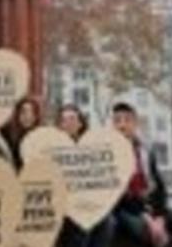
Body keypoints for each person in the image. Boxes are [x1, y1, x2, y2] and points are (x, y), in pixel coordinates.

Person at [111, 102, 172, 247]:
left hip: (151, 209)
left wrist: (159, 217)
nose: (122, 125)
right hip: (126, 211)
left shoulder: (145, 150)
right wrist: (146, 218)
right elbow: (113, 197)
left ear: (135, 123)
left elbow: (159, 187)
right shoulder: (108, 154)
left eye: (127, 120)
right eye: (117, 121)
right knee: (141, 231)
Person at [56, 104, 114, 247]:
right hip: (63, 204)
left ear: (80, 123)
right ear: (60, 125)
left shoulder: (89, 148)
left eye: (72, 119)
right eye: (64, 120)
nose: (68, 123)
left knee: (108, 222)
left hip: (86, 201)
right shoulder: (53, 147)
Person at [1, 96, 42, 169]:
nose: (28, 116)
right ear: (17, 114)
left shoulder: (42, 134)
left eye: (32, 112)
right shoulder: (5, 133)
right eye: (24, 112)